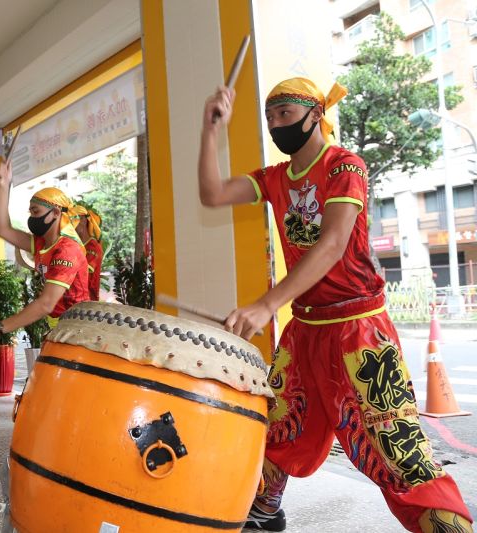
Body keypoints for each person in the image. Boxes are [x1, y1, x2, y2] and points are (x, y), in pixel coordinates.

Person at [198, 77, 473, 533]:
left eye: (284, 114)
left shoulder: (345, 166)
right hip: (305, 326)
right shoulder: (275, 178)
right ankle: (266, 507)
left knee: (395, 444)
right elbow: (212, 194)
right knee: (278, 421)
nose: (275, 124)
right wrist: (211, 129)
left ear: (314, 114)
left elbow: (331, 246)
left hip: (359, 330)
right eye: (269, 117)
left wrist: (267, 304)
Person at [0, 161, 89, 342]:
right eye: (30, 212)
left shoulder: (67, 250)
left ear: (56, 213)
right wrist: (3, 186)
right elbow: (3, 229)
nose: (32, 218)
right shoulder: (42, 243)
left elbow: (46, 304)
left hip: (78, 332)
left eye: (36, 212)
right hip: (61, 329)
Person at [71, 204, 104, 301]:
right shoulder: (77, 245)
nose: (71, 227)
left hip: (87, 301)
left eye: (73, 221)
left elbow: (84, 269)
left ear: (84, 220)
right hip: (75, 299)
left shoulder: (93, 246)